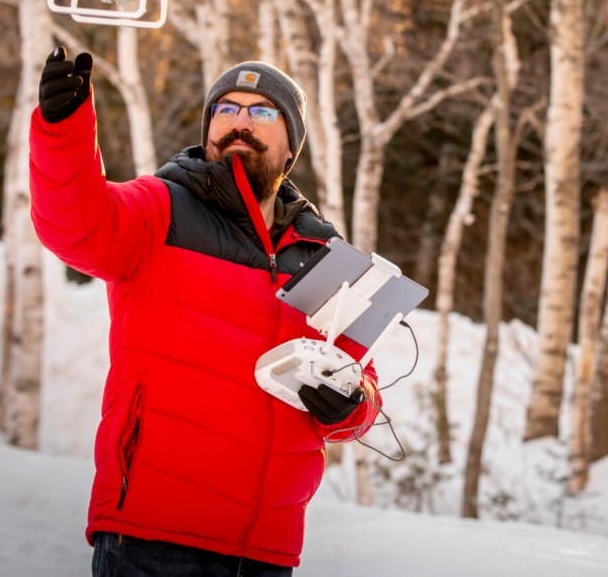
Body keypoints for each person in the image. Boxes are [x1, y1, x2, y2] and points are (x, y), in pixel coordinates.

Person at [29, 46, 379, 576]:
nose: (241, 122)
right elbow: (77, 224)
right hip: (153, 538)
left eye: (262, 112)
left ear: (291, 146)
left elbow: (361, 382)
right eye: (226, 109)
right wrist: (63, 130)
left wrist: (353, 402)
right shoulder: (161, 208)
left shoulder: (324, 257)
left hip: (266, 551)